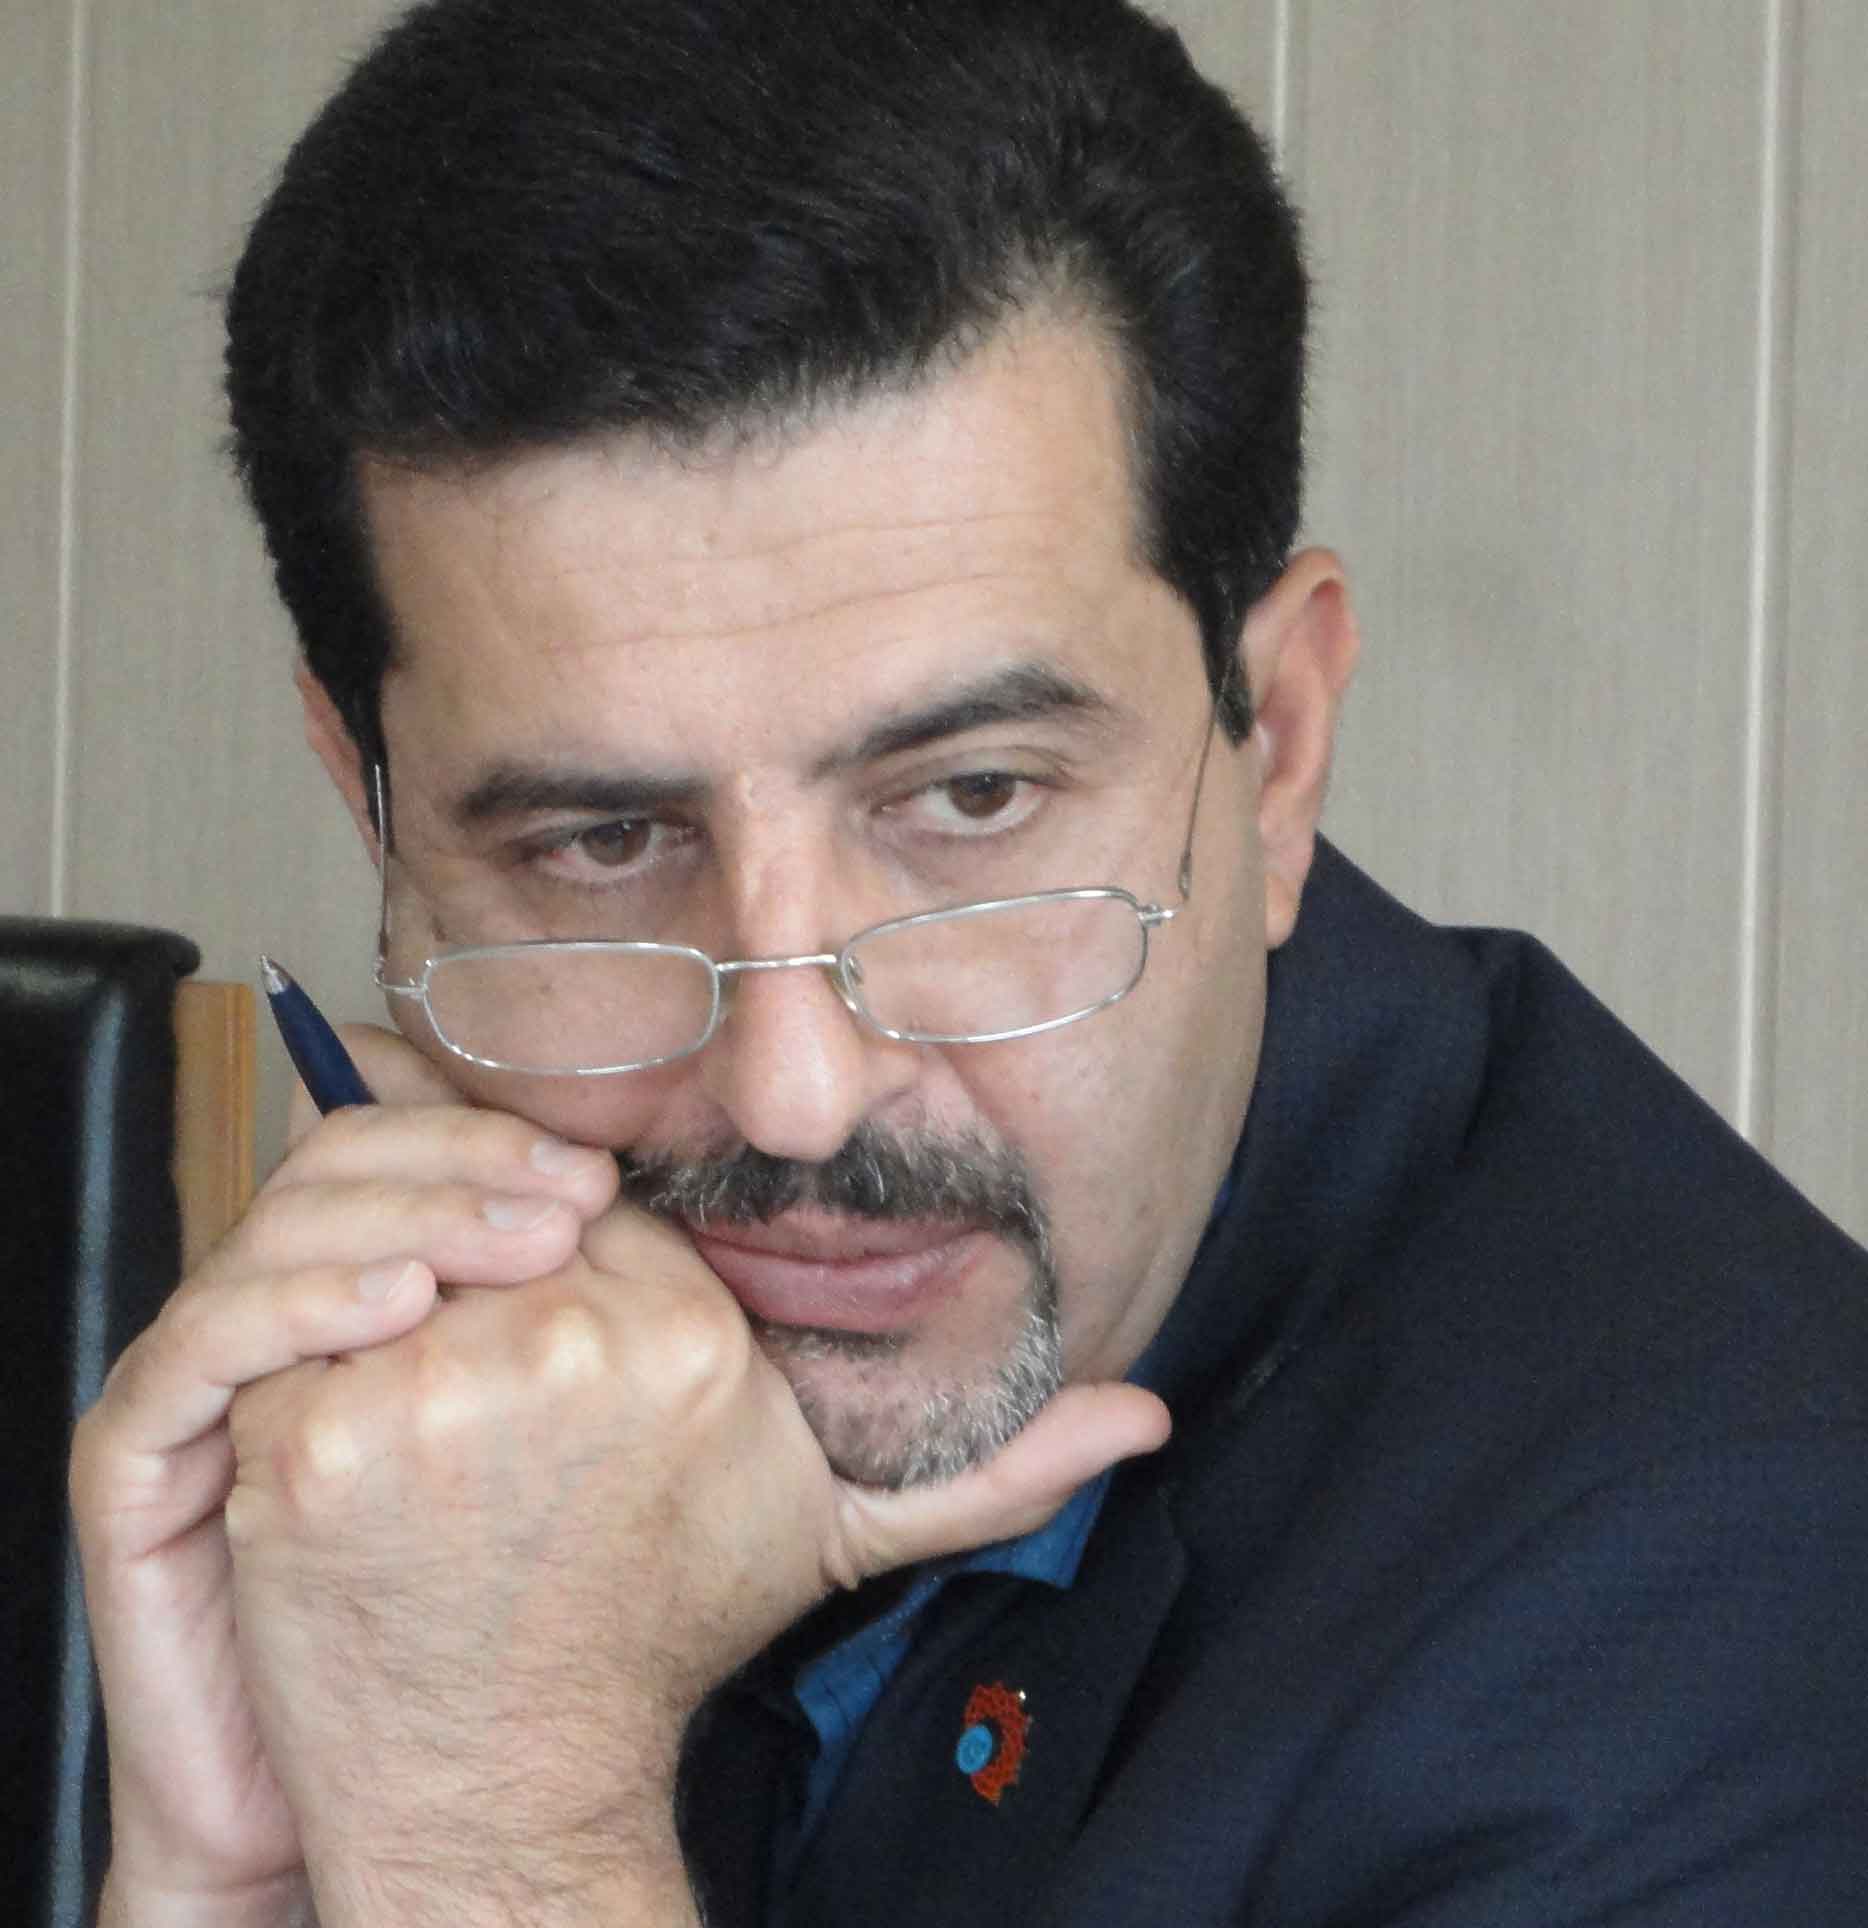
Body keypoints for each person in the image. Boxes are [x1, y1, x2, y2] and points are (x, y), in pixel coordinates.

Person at [69, 0, 1868, 1922]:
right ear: (372, 808)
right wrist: (235, 1883)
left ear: (1275, 747)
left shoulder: (1737, 1594)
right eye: (601, 844)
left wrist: (483, 1816)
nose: (793, 1089)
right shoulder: (442, 1472)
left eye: (974, 799)